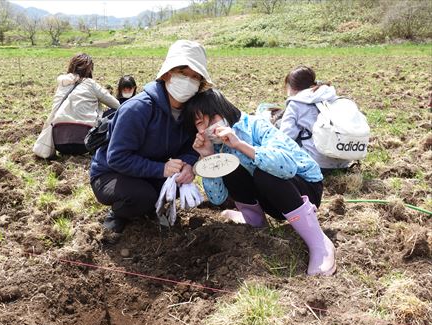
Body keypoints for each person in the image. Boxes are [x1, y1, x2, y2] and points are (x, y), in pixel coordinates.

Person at [184, 89, 336, 276]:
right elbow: (217, 198)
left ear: (221, 111)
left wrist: (240, 145)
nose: (205, 128)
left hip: (303, 190)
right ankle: (255, 223)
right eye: (199, 124)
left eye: (208, 119)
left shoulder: (255, 125)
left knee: (265, 173)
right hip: (271, 200)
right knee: (232, 168)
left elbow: (285, 167)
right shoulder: (215, 146)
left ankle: (318, 241)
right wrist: (208, 157)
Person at [90, 40, 213, 237]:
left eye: (195, 77)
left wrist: (188, 165)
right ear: (167, 74)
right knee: (142, 196)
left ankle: (146, 206)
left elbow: (190, 147)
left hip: (148, 170)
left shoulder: (190, 112)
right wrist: (161, 169)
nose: (188, 81)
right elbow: (117, 157)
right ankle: (119, 213)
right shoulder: (138, 109)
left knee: (178, 186)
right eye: (183, 73)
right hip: (111, 173)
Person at [280, 66, 351, 172]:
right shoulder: (331, 97)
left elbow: (286, 137)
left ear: (292, 88)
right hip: (344, 162)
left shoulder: (296, 104)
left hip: (315, 164)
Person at [50, 53, 120, 155]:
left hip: (59, 143)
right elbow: (117, 105)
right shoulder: (90, 83)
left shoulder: (62, 84)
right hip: (84, 143)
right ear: (89, 69)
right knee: (114, 113)